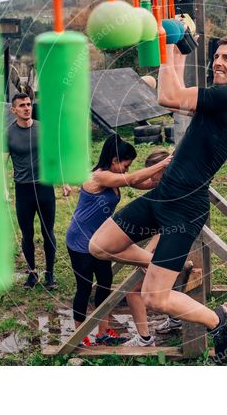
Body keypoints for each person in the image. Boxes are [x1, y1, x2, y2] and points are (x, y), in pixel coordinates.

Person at [89, 37, 227, 361]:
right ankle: (163, 265)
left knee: (155, 298)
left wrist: (164, 45)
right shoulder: (222, 96)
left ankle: (218, 319)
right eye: (217, 56)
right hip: (163, 196)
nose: (219, 62)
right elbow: (175, 99)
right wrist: (177, 47)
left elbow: (168, 95)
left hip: (185, 208)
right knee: (99, 246)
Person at [65, 136, 171, 347]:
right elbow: (132, 179)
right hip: (80, 240)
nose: (126, 169)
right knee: (84, 288)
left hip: (101, 241)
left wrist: (166, 175)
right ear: (114, 160)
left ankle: (103, 332)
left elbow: (146, 182)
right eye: (125, 164)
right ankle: (78, 335)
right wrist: (163, 162)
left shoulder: (114, 179)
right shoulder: (99, 177)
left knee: (104, 284)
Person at [6, 92, 71, 289]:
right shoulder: (8, 134)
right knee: (27, 234)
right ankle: (32, 273)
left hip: (44, 188)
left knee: (47, 231)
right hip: (23, 190)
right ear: (13, 110)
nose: (27, 108)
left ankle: (50, 274)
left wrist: (64, 181)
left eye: (28, 104)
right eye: (22, 105)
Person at [121, 149, 172, 347]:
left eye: (153, 172)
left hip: (168, 248)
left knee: (133, 291)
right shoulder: (169, 184)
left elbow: (166, 228)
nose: (150, 177)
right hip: (184, 245)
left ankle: (144, 338)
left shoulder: (167, 192)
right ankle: (175, 319)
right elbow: (135, 182)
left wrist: (148, 251)